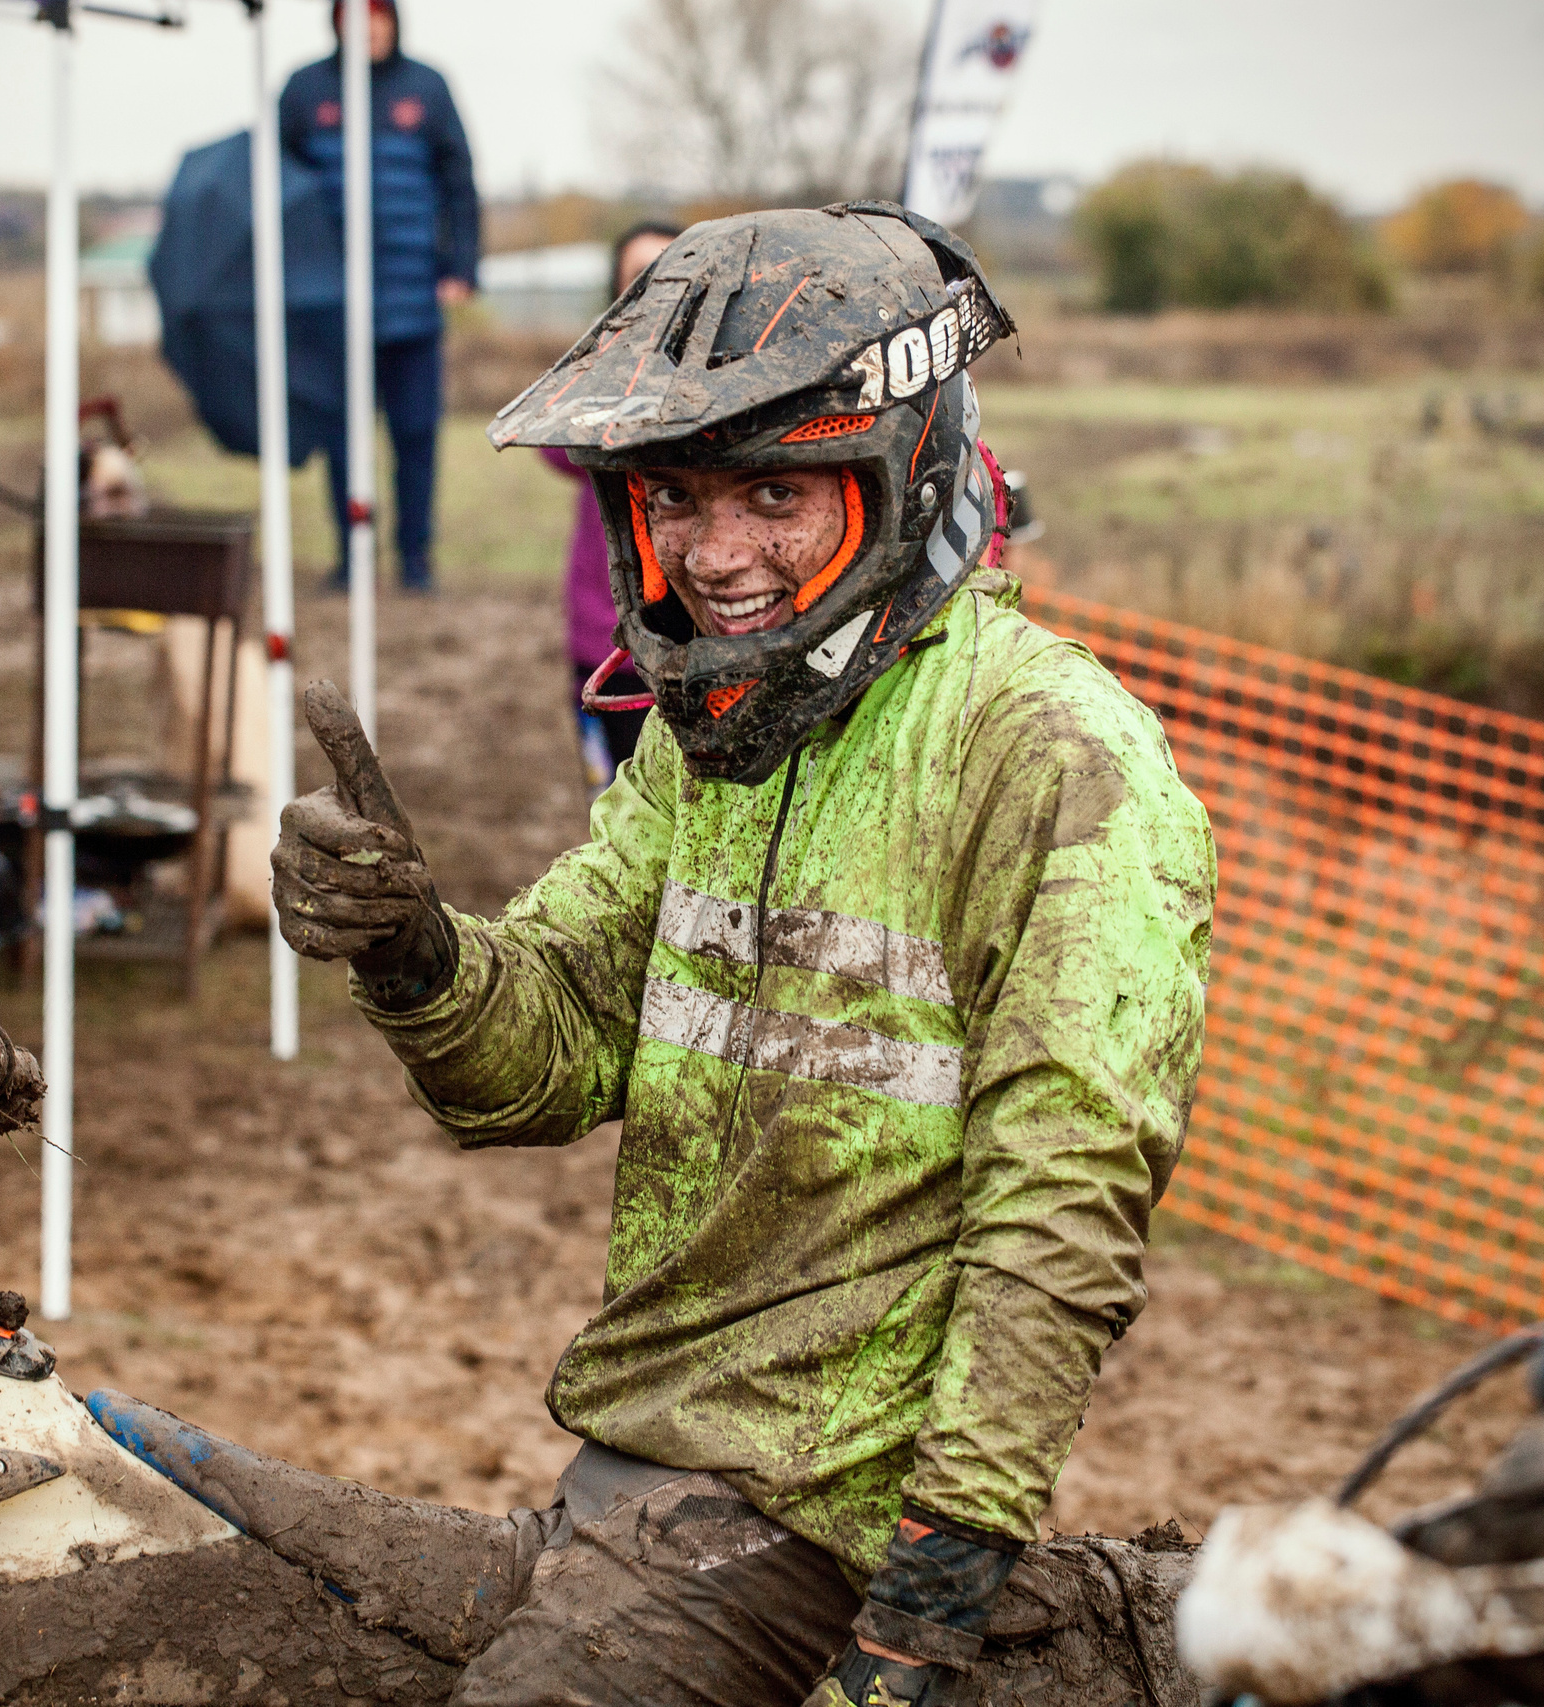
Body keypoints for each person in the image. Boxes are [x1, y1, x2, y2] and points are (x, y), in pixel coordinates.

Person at [273, 204, 1216, 1706]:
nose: (716, 556)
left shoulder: (1051, 755)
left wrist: (927, 1603)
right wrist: (412, 953)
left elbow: (1064, 1204)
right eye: (676, 496)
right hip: (643, 1472)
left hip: (824, 1519)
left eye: (776, 492)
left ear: (899, 476)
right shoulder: (715, 737)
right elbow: (553, 1048)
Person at [281, 0, 479, 594]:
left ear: (392, 19)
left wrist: (460, 268)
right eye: (353, 15)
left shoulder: (427, 87)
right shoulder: (304, 90)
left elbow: (459, 185)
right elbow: (277, 190)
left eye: (377, 14)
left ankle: (415, 562)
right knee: (343, 442)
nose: (367, 27)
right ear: (336, 21)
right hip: (334, 310)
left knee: (416, 436)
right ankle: (351, 559)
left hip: (413, 305)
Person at [546, 221, 680, 797]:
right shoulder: (599, 368)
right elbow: (552, 444)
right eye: (639, 277)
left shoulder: (732, 371)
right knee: (614, 805)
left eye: (670, 273)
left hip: (699, 640)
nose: (656, 289)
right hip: (607, 632)